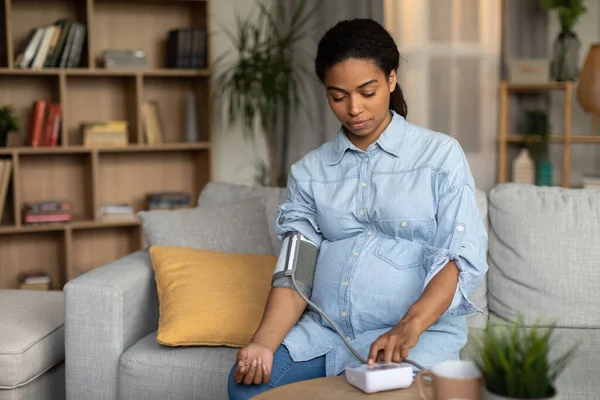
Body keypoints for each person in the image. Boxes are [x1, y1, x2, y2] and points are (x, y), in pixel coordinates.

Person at [227, 18, 488, 400]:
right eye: (338, 96)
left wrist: (408, 327)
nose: (354, 109)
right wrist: (263, 344)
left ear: (391, 79)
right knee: (244, 387)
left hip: (414, 338)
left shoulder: (440, 156)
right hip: (325, 336)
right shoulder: (310, 172)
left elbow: (459, 258)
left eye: (367, 91)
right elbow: (295, 273)